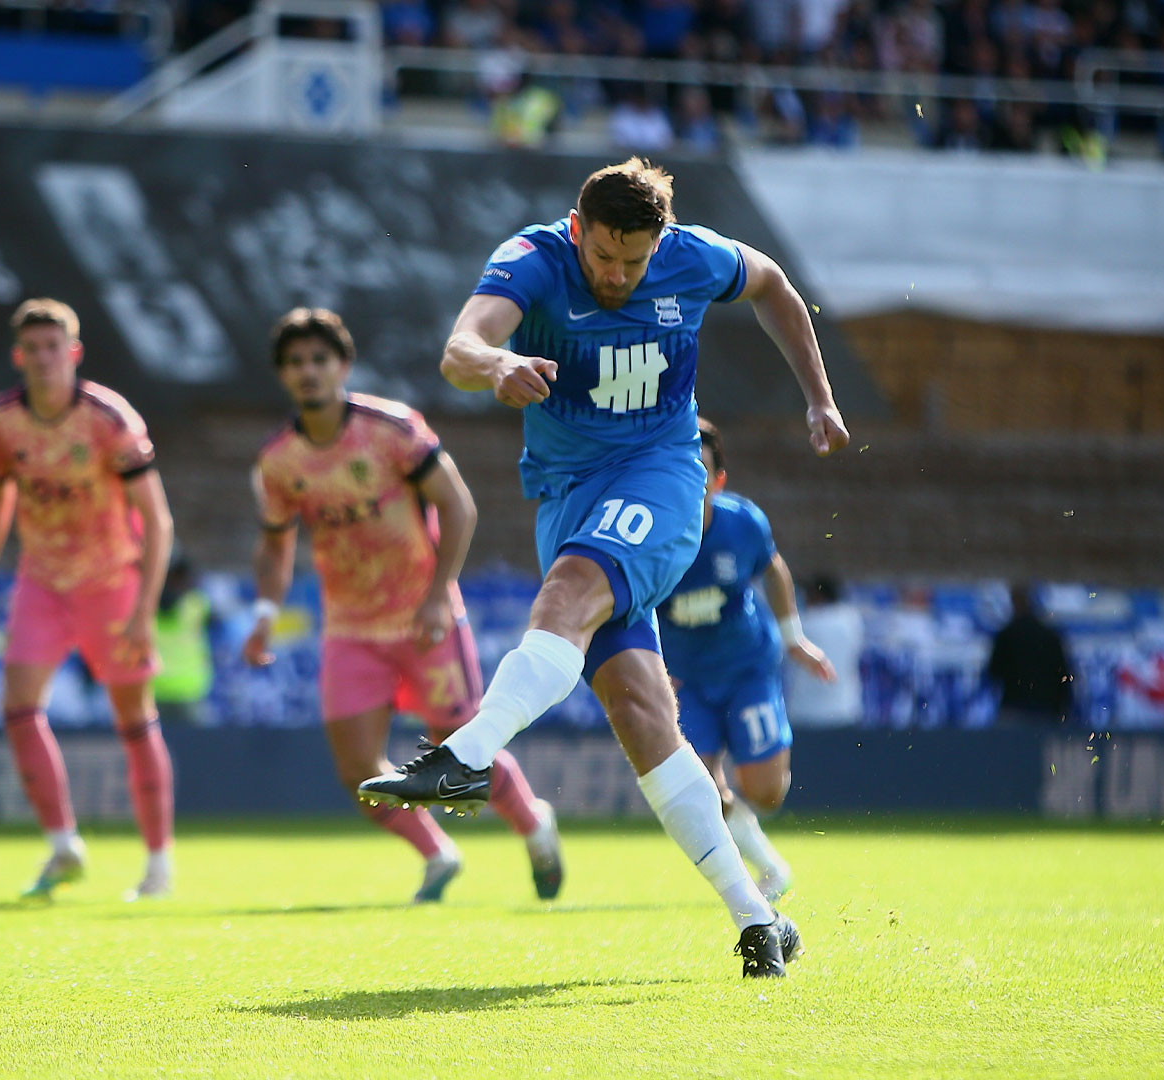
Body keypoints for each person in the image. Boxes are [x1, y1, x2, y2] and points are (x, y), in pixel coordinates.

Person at [357, 158, 850, 978]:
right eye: (604, 259)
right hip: (564, 493)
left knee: (569, 591)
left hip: (661, 475)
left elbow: (774, 286)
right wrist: (498, 367)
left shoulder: (695, 255)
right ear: (579, 230)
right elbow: (459, 348)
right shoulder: (534, 259)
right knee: (639, 711)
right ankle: (759, 918)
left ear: (662, 240)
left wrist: (821, 396)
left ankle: (466, 757)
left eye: (636, 261)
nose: (618, 276)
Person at [245, 308, 564, 905]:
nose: (308, 372)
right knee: (357, 771)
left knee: (462, 749)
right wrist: (265, 613)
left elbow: (459, 507)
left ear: (342, 364)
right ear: (282, 376)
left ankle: (533, 825)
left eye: (319, 359)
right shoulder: (279, 461)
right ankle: (438, 853)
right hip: (350, 630)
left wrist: (439, 595)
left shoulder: (392, 430)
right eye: (295, 364)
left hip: (425, 622)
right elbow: (274, 544)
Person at [0, 299, 176, 901]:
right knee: (18, 706)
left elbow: (156, 521)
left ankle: (158, 863)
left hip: (111, 583)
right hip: (41, 582)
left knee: (134, 721)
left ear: (74, 353)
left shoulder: (110, 419)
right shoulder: (2, 420)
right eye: (31, 349)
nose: (42, 358)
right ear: (18, 356)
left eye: (53, 347)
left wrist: (143, 610)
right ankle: (63, 847)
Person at [659, 419, 835, 904]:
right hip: (688, 680)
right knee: (699, 790)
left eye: (699, 472)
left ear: (718, 481)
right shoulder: (650, 535)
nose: (687, 483)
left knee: (767, 792)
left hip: (747, 669)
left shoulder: (743, 524)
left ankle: (765, 853)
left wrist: (793, 637)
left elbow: (773, 568)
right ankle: (769, 869)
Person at [985, 583, 1072, 726]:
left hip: (1015, 709)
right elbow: (1063, 676)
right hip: (1045, 710)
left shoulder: (1007, 635)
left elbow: (994, 672)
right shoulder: (1049, 635)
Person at [787, 574, 866, 727]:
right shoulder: (852, 620)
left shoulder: (804, 623)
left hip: (805, 712)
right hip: (845, 710)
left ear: (817, 596)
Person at [153, 554, 216, 727]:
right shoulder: (197, 604)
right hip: (190, 687)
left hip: (154, 687)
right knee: (197, 746)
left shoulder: (145, 604)